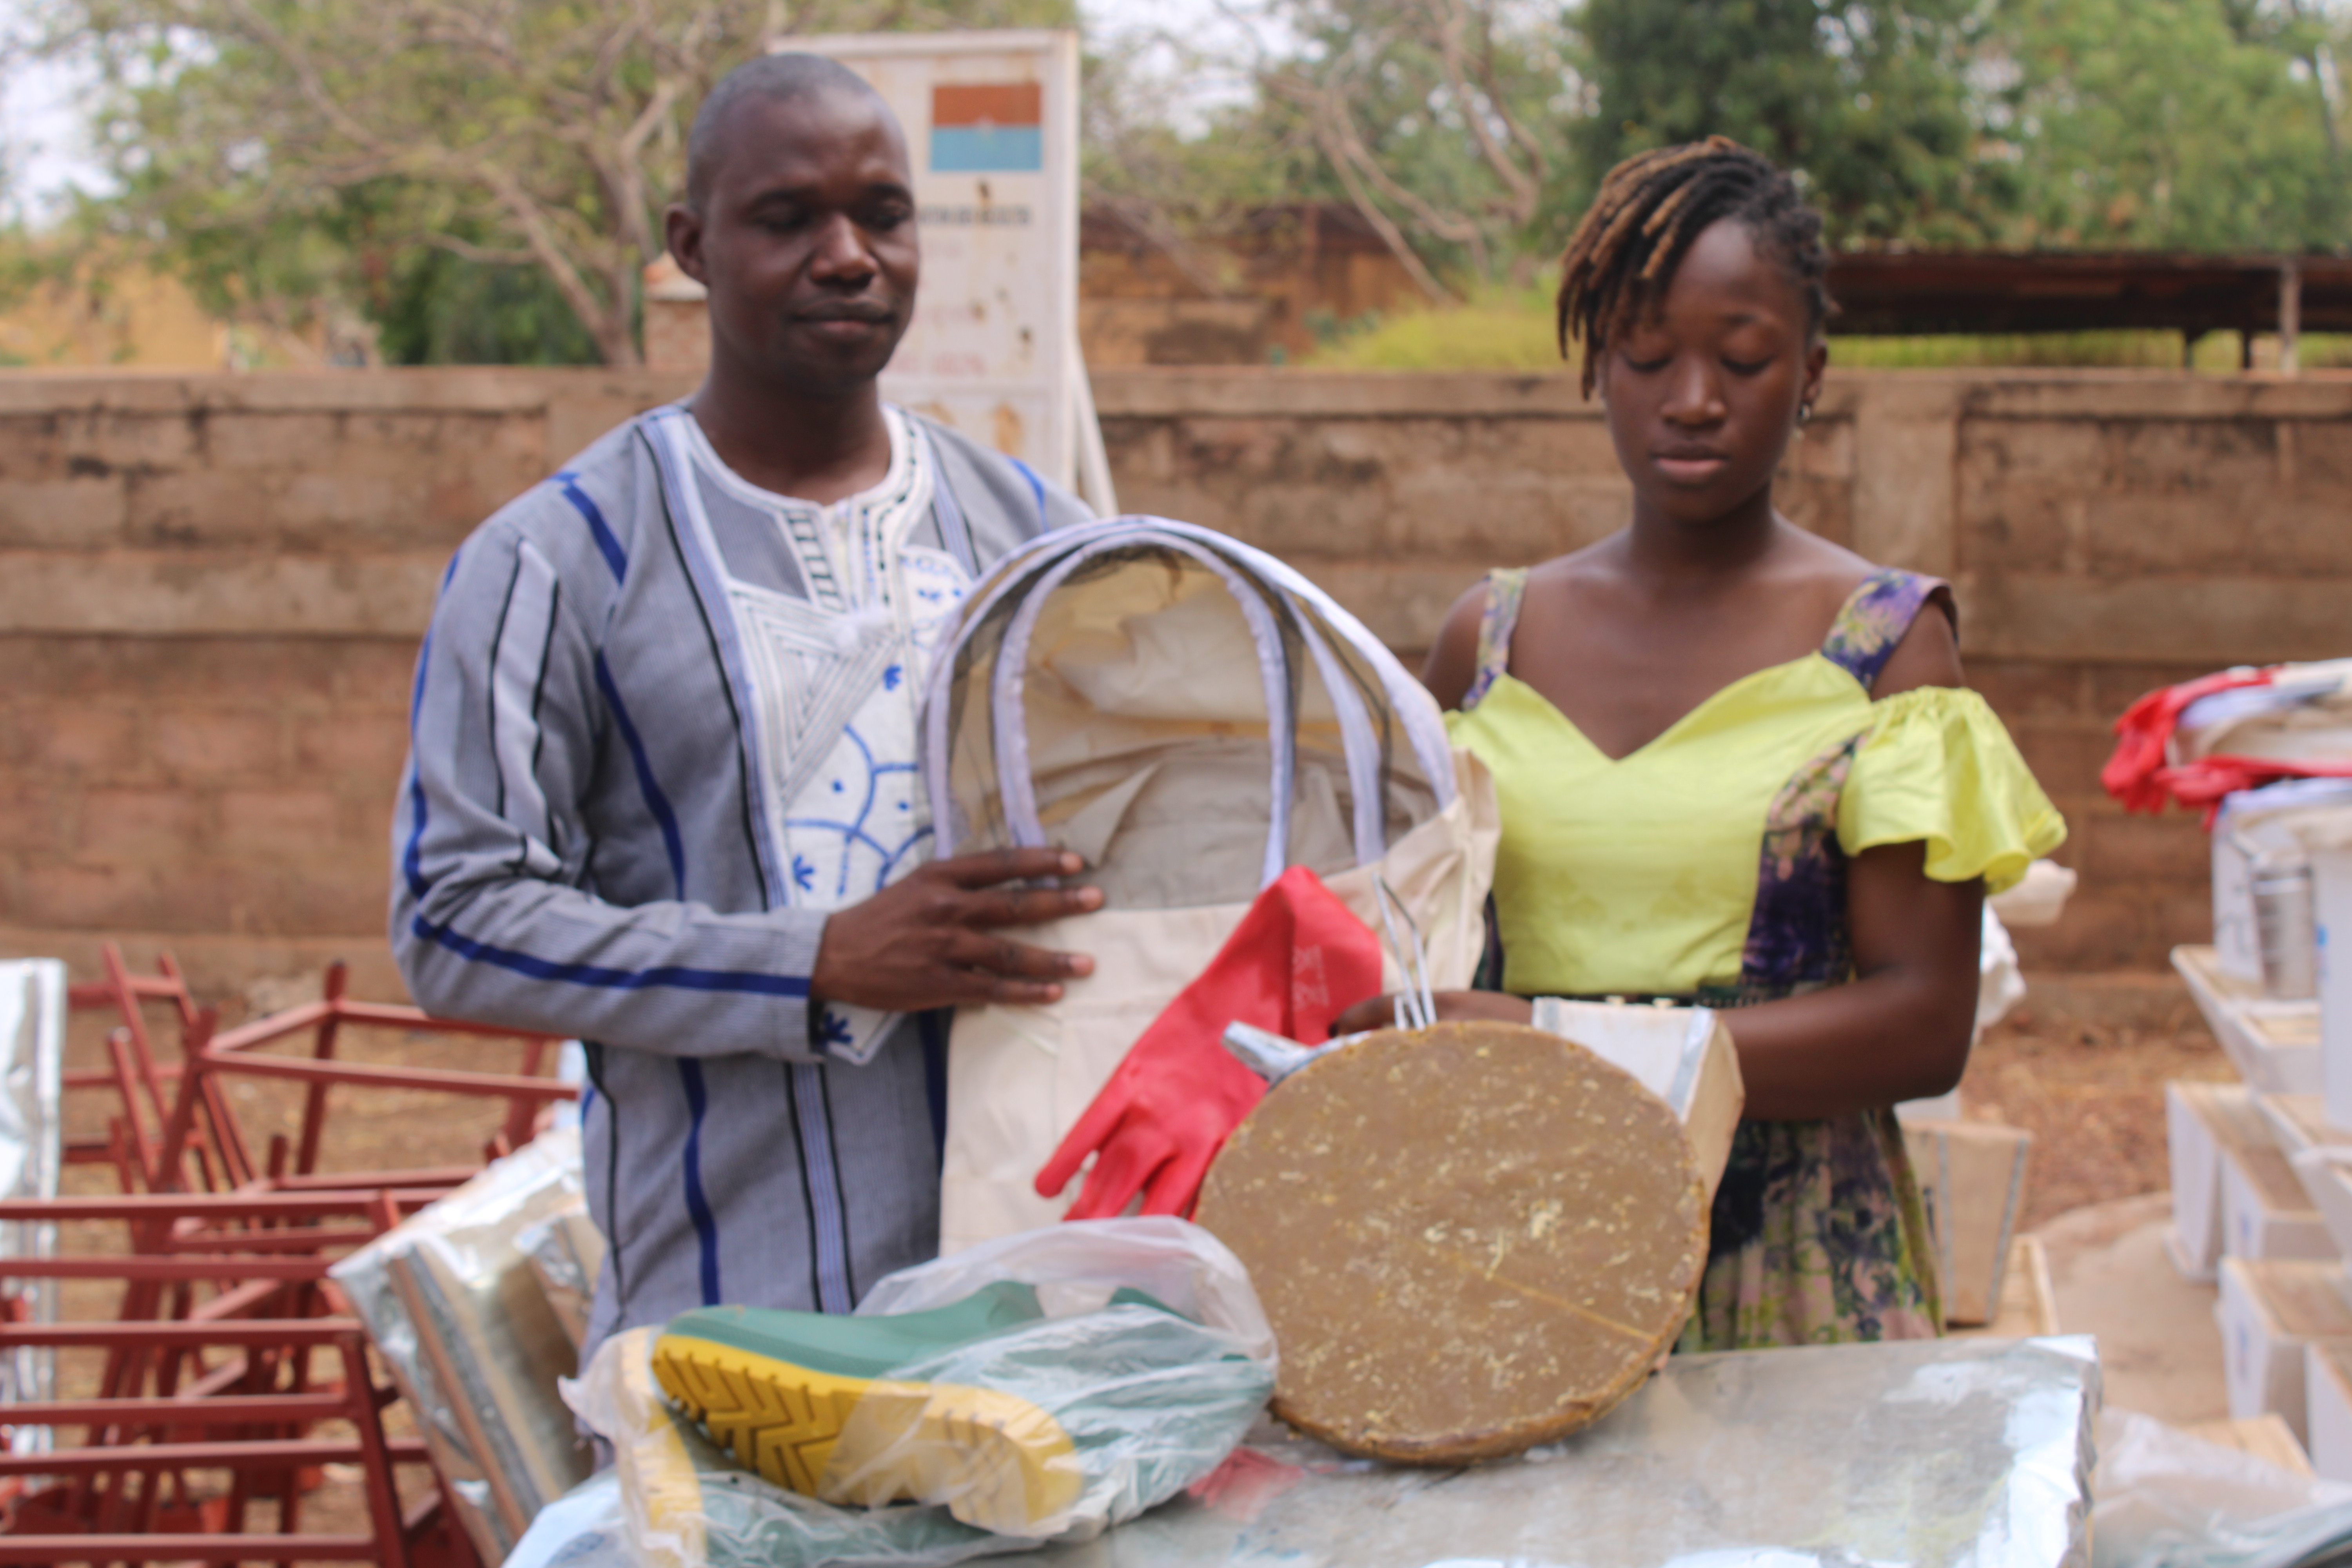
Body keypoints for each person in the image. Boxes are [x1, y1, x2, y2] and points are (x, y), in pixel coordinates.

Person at [390, 53, 1098, 1365]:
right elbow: (456, 922)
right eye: (786, 219)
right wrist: (811, 961)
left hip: (1044, 1322)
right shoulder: (557, 559)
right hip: (730, 1323)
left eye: (883, 215)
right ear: (692, 247)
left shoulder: (1041, 538)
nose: (849, 257)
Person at [1336, 138, 2066, 1349]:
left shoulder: (1883, 648)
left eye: (1742, 358)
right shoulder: (1488, 645)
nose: (1691, 398)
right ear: (1595, 367)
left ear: (1811, 372)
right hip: (1530, 1256)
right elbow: (1403, 939)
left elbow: (1925, 1025)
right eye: (1645, 355)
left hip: (1795, 1273)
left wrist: (1565, 1049)